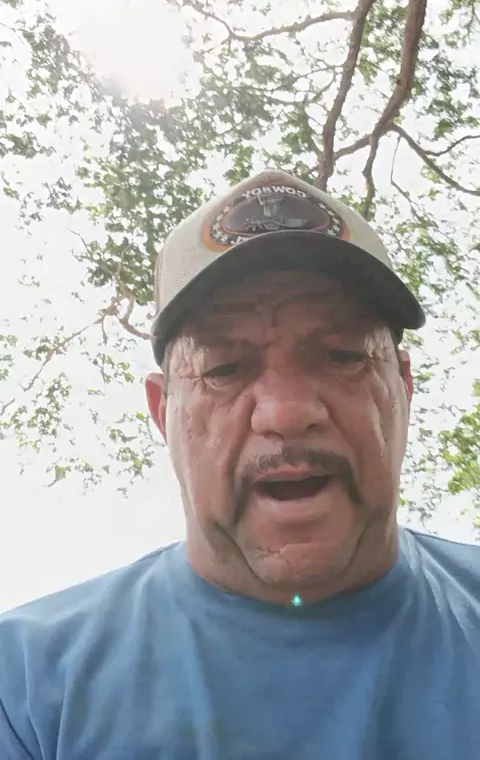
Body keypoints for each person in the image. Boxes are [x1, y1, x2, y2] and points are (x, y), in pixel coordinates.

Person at [1, 169, 479, 760]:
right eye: (223, 369)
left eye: (342, 355)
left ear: (403, 387)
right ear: (163, 412)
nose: (286, 412)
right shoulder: (24, 689)